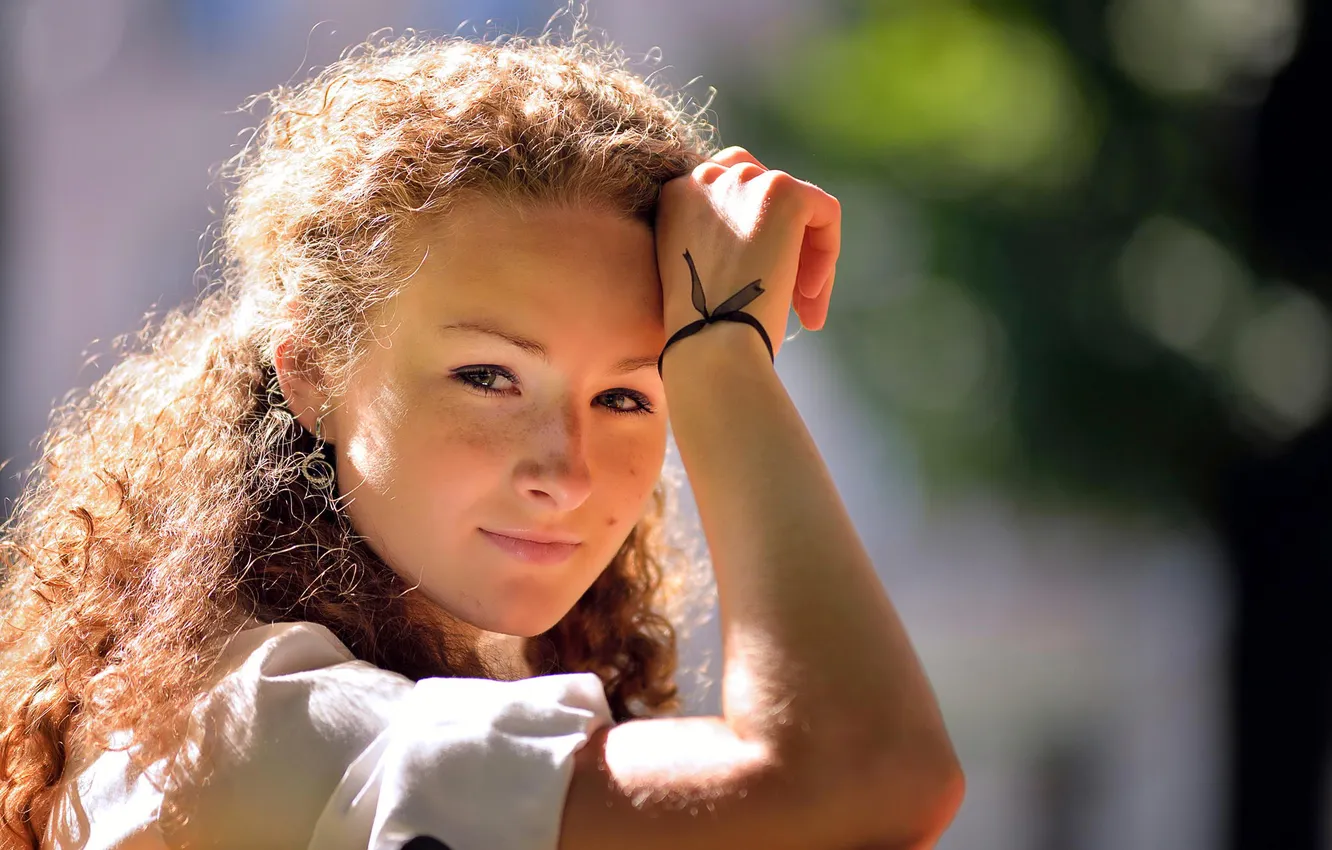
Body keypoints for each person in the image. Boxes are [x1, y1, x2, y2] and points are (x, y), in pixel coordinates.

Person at [0, 21, 963, 850]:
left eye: (629, 396)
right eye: (489, 377)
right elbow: (861, 780)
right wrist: (719, 343)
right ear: (310, 372)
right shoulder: (247, 726)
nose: (568, 473)